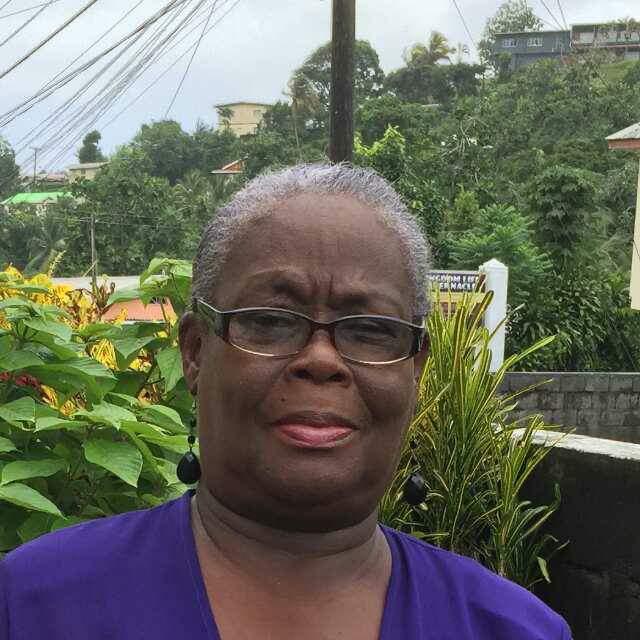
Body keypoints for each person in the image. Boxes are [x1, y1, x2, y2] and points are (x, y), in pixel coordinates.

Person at [0, 164, 571, 639]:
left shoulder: (512, 629)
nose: (321, 360)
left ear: (415, 368)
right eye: (271, 321)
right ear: (195, 352)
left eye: (369, 329)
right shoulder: (33, 607)